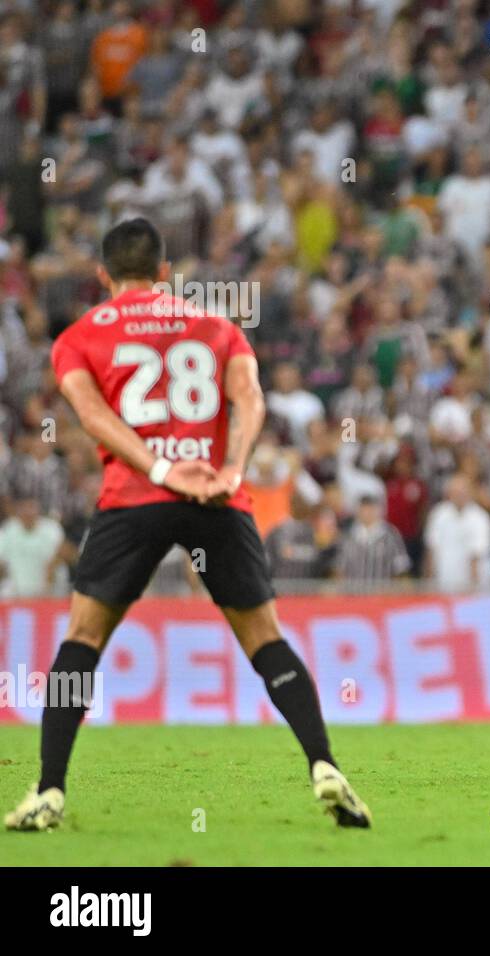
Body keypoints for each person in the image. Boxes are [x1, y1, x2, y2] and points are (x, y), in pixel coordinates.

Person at [5, 218, 370, 832]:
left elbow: (93, 418)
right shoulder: (218, 326)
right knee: (264, 638)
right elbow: (252, 400)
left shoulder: (78, 337)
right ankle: (324, 766)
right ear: (166, 273)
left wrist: (159, 468)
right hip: (216, 496)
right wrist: (231, 469)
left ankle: (48, 790)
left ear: (102, 275)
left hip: (134, 496)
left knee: (83, 639)